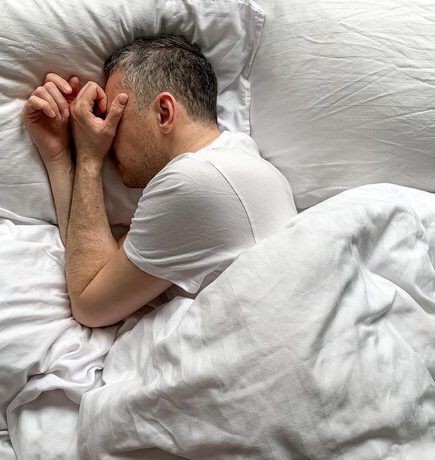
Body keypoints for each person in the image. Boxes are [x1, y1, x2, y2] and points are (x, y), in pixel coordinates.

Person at [22, 35, 296, 328]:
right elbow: (98, 265)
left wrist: (89, 157)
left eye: (116, 118)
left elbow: (90, 304)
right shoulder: (239, 161)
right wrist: (59, 154)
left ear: (164, 112)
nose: (107, 135)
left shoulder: (194, 182)